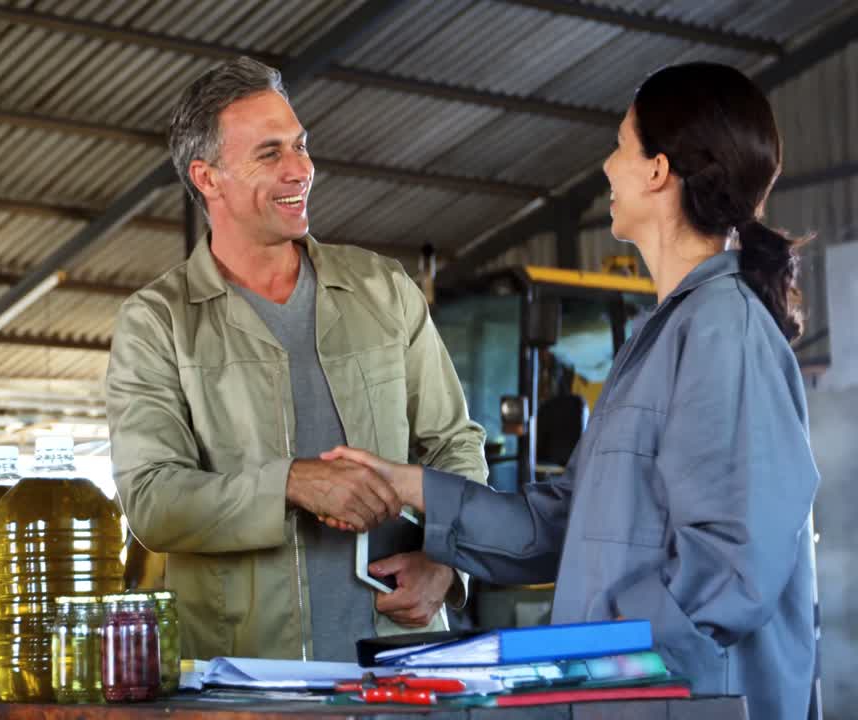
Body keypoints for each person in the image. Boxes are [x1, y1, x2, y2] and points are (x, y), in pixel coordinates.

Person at [325, 62, 818, 720]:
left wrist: (597, 638)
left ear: (657, 171)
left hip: (682, 702)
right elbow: (559, 522)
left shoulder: (722, 329)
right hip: (627, 693)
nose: (608, 167)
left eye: (620, 145)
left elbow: (733, 565)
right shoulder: (663, 337)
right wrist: (414, 487)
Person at [105, 56, 487, 662]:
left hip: (402, 668)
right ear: (208, 178)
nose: (300, 169)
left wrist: (447, 563)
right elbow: (151, 500)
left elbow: (455, 447)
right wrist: (289, 482)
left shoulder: (383, 289)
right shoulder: (159, 322)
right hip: (246, 677)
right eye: (270, 154)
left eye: (301, 146)